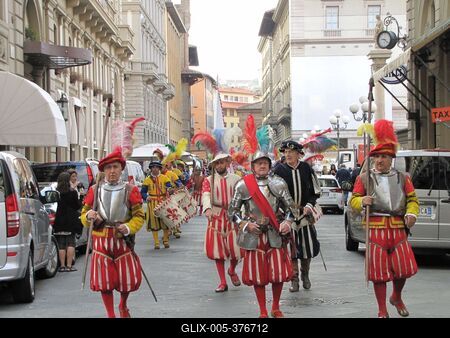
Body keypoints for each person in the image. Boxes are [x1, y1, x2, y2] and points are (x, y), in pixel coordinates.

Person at [349, 119, 419, 318]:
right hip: (376, 229)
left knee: (403, 269)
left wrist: (411, 213)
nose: (379, 160)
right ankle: (382, 309)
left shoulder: (403, 177)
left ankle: (396, 296)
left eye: (383, 157)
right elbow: (352, 201)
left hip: (398, 228)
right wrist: (362, 201)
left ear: (391, 158)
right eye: (376, 156)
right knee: (379, 273)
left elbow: (413, 199)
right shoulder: (364, 179)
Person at [229, 151, 296, 318]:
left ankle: (275, 307)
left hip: (275, 232)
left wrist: (287, 222)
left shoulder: (279, 183)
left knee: (278, 273)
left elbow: (292, 209)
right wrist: (245, 224)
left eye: (265, 162)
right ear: (253, 166)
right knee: (257, 275)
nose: (262, 165)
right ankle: (262, 311)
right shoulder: (242, 185)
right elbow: (232, 212)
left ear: (269, 165)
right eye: (259, 163)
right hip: (254, 234)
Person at [81, 147, 145, 318]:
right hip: (101, 241)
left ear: (121, 168)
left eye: (115, 167)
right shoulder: (94, 190)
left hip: (122, 241)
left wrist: (129, 227)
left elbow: (139, 216)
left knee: (127, 279)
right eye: (108, 168)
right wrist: (89, 215)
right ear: (103, 170)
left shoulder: (131, 190)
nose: (112, 171)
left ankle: (123, 305)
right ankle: (111, 314)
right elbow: (83, 214)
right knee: (104, 281)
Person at [273, 140, 321, 292]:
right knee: (292, 249)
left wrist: (309, 205)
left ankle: (305, 274)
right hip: (287, 216)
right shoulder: (279, 170)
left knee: (306, 248)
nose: (287, 155)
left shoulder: (306, 168)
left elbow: (315, 191)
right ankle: (294, 280)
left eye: (290, 152)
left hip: (305, 215)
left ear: (298, 154)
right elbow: (274, 194)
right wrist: (280, 211)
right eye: (285, 152)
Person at [202, 152, 242, 293]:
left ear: (227, 163)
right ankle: (223, 282)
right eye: (216, 163)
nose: (219, 165)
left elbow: (242, 196)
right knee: (217, 251)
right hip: (216, 216)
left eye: (221, 162)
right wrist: (207, 208)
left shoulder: (237, 179)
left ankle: (231, 270)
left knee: (236, 249)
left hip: (233, 216)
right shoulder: (208, 180)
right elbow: (206, 194)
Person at [141, 161, 173, 249]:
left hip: (163, 202)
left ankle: (166, 240)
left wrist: (170, 189)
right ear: (151, 169)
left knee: (165, 222)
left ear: (159, 169)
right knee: (154, 223)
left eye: (157, 167)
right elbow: (143, 192)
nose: (155, 169)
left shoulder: (165, 177)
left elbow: (169, 186)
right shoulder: (147, 180)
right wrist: (146, 197)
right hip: (152, 202)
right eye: (153, 167)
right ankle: (156, 242)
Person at [54, 171, 82, 272]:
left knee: (61, 244)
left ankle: (62, 266)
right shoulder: (72, 192)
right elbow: (77, 206)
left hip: (60, 220)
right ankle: (69, 266)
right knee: (70, 243)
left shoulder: (57, 192)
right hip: (70, 220)